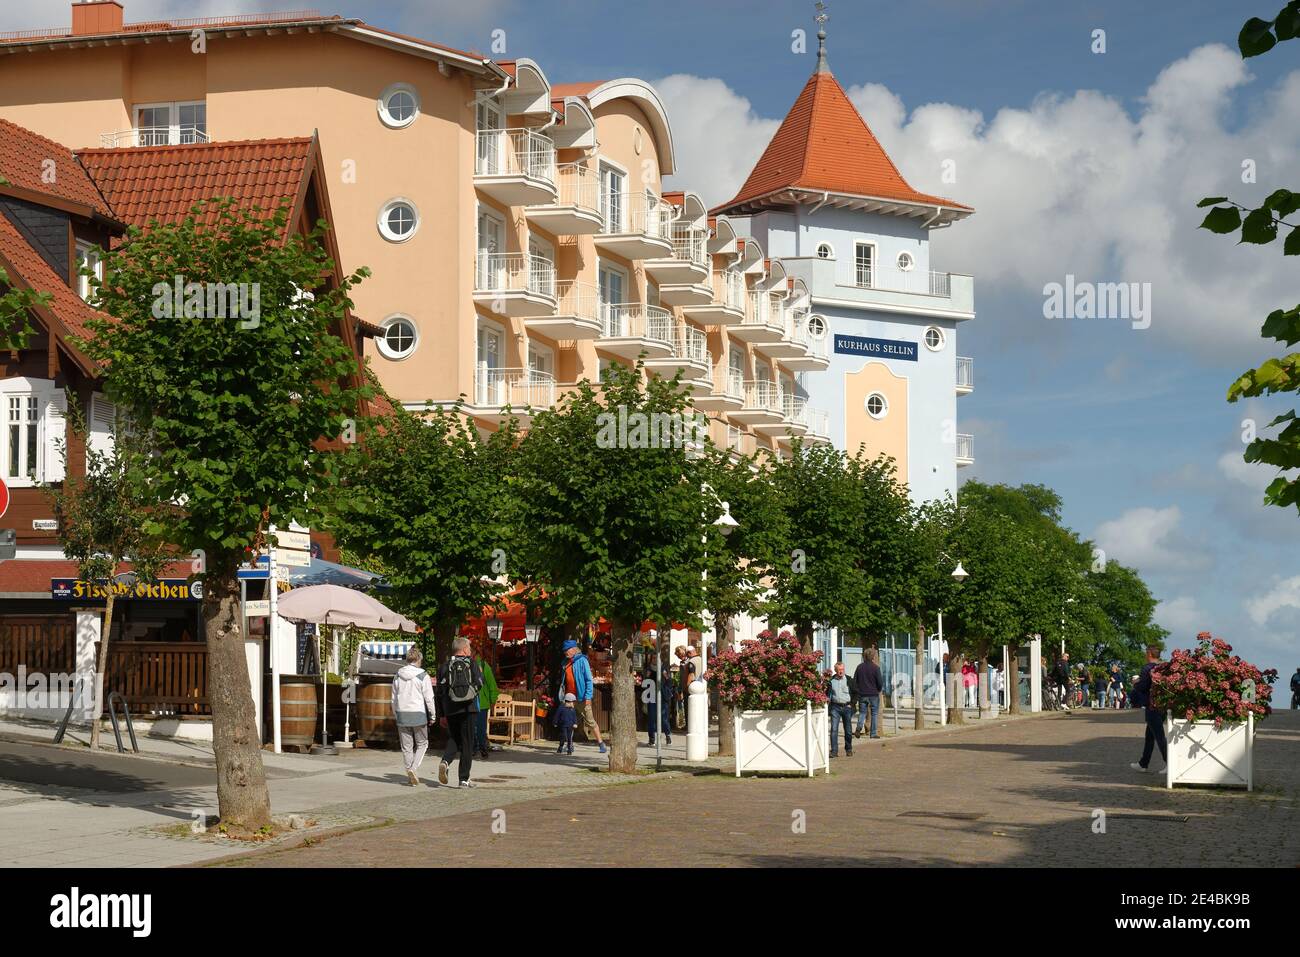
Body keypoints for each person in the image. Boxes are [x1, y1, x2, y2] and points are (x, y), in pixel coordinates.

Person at [436, 637, 484, 788]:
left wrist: (442, 714)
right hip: (469, 708)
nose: (470, 650)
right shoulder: (472, 664)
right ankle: (464, 779)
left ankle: (445, 761)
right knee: (467, 742)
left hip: (450, 708)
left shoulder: (444, 666)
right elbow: (480, 683)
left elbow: (440, 692)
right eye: (469, 648)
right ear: (464, 649)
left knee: (454, 738)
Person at [390, 646, 437, 786]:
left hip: (402, 713)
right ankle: (413, 769)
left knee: (406, 747)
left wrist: (395, 713)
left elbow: (393, 699)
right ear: (419, 659)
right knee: (423, 743)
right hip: (418, 713)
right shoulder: (423, 675)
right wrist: (433, 715)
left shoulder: (397, 675)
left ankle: (410, 771)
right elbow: (429, 698)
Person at [561, 639, 605, 753]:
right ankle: (569, 744)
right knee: (568, 722)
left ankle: (601, 743)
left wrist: (588, 697)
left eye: (567, 650)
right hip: (570, 698)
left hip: (581, 697)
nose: (565, 652)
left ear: (574, 649)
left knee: (590, 721)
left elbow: (589, 680)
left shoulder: (582, 660)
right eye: (564, 650)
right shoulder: (566, 662)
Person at [1129, 645, 1167, 775]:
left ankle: (1170, 763)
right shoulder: (1163, 668)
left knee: (1159, 736)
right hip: (1162, 705)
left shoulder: (1147, 668)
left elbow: (1143, 687)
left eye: (1146, 652)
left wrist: (1135, 683)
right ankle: (1143, 763)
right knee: (1150, 737)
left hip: (1152, 706)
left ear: (1150, 654)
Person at [853, 649, 884, 739]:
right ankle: (873, 733)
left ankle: (858, 728)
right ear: (873, 657)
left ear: (864, 657)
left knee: (862, 712)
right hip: (874, 694)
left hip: (862, 694)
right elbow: (880, 682)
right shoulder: (876, 668)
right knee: (874, 713)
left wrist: (858, 691)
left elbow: (855, 681)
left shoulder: (859, 667)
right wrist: (878, 690)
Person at [475, 653, 500, 759]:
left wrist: (493, 701)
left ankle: (481, 747)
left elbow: (492, 685)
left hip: (481, 703)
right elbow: (492, 686)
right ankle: (477, 748)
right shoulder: (465, 665)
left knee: (480, 728)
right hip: (477, 702)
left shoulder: (484, 666)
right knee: (476, 727)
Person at [826, 661, 854, 757]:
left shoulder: (849, 680)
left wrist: (852, 704)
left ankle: (849, 749)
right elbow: (827, 693)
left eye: (842, 670)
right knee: (834, 729)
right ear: (835, 671)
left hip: (847, 707)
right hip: (835, 707)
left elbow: (856, 692)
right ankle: (834, 751)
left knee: (848, 730)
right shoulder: (831, 681)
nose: (841, 672)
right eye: (839, 670)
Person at [640, 666, 673, 745]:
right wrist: (647, 676)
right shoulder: (648, 669)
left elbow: (669, 682)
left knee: (664, 718)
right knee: (651, 718)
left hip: (662, 698)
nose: (655, 659)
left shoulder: (663, 668)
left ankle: (668, 736)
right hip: (652, 697)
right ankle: (652, 739)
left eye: (656, 657)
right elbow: (645, 683)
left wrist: (666, 676)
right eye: (653, 658)